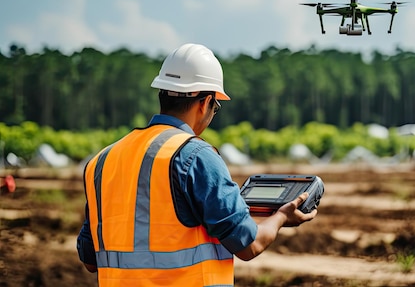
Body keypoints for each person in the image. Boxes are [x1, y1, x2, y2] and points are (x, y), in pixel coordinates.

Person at [76, 43, 317, 286]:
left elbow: (89, 260)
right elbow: (248, 244)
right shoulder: (195, 156)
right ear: (206, 103)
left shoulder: (100, 162)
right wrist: (281, 217)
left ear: (163, 93)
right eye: (216, 107)